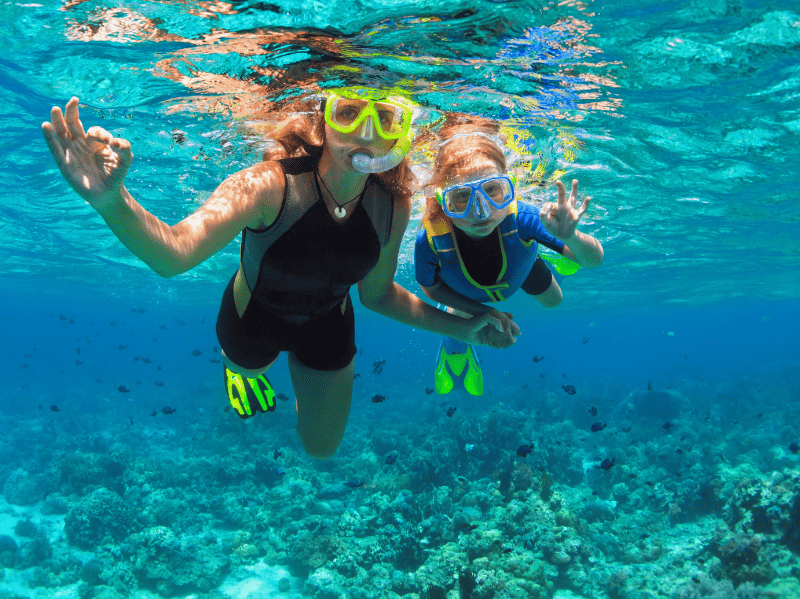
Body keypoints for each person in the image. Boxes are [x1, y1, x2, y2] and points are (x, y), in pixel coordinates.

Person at [41, 91, 516, 459]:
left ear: (399, 132)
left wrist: (464, 328)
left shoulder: (393, 202)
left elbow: (378, 297)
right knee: (249, 368)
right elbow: (174, 254)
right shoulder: (269, 185)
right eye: (349, 113)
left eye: (386, 118)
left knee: (321, 449)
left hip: (330, 321)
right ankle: (238, 369)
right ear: (322, 122)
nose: (366, 134)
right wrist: (110, 201)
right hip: (253, 318)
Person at [415, 120, 603, 397]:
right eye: (462, 197)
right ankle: (455, 349)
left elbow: (594, 260)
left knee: (555, 301)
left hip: (520, 268)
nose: (481, 212)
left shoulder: (524, 218)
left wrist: (571, 237)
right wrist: (483, 312)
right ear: (444, 200)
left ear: (510, 187)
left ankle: (550, 251)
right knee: (460, 319)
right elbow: (430, 289)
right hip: (463, 292)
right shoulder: (431, 239)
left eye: (492, 190)